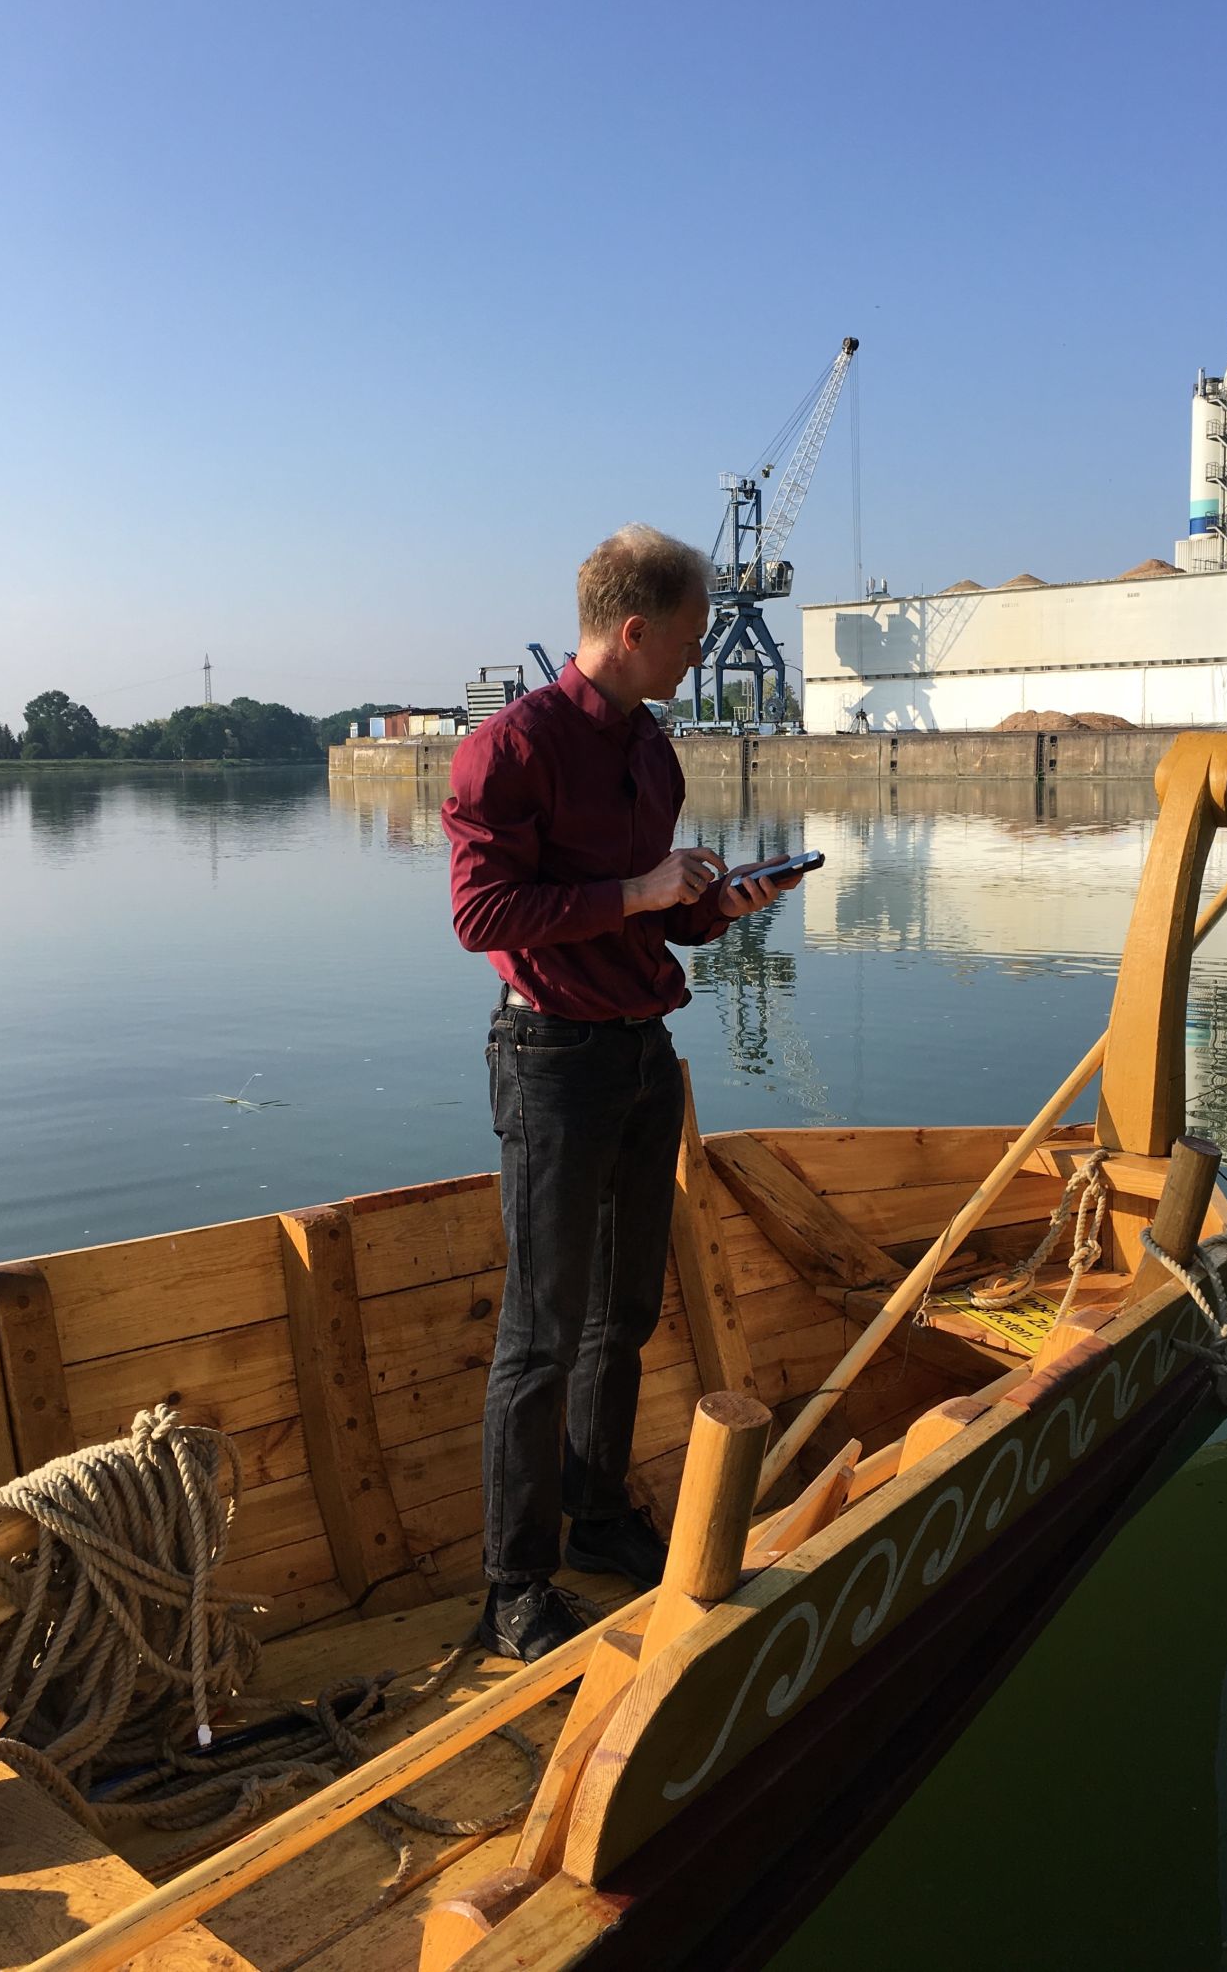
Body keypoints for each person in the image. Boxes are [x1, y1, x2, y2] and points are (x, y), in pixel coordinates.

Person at [441, 524, 801, 1661]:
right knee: (541, 1335)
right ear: (634, 631)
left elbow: (654, 909)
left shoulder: (652, 750)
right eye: (691, 641)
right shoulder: (507, 751)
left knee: (625, 1314)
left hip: (642, 1051)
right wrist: (639, 886)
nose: (699, 659)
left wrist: (708, 906)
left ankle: (597, 1519)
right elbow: (481, 918)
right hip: (550, 1058)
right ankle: (514, 1585)